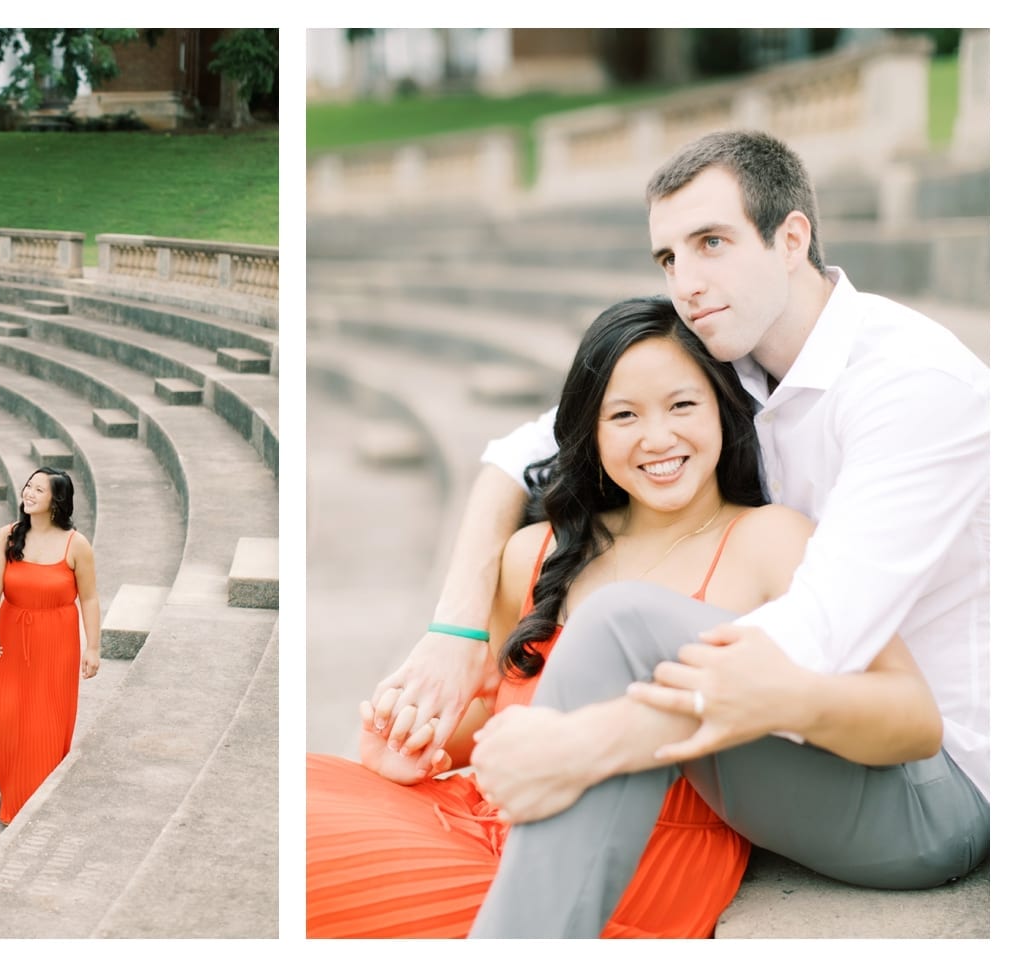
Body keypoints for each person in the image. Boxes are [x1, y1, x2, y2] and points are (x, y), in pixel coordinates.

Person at [366, 129, 988, 936]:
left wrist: (592, 740)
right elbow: (520, 453)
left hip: (935, 783)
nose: (688, 283)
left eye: (711, 243)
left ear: (791, 237)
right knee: (619, 613)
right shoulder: (739, 363)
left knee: (625, 620)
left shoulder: (912, 387)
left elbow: (814, 635)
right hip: (800, 737)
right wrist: (453, 624)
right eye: (668, 258)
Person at [306, 296, 943, 938]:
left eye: (682, 405)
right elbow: (496, 718)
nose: (657, 438)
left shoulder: (770, 542)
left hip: (634, 863)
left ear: (724, 410)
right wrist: (423, 743)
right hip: (479, 822)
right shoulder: (536, 553)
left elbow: (907, 717)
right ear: (592, 431)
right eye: (624, 415)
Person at [0, 467, 101, 825]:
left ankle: (33, 796)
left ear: (56, 501)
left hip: (57, 642)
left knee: (46, 718)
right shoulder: (7, 536)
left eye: (38, 489)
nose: (28, 493)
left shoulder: (76, 544)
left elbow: (89, 599)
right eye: (28, 486)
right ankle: (13, 786)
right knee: (6, 715)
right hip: (12, 638)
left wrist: (94, 647)